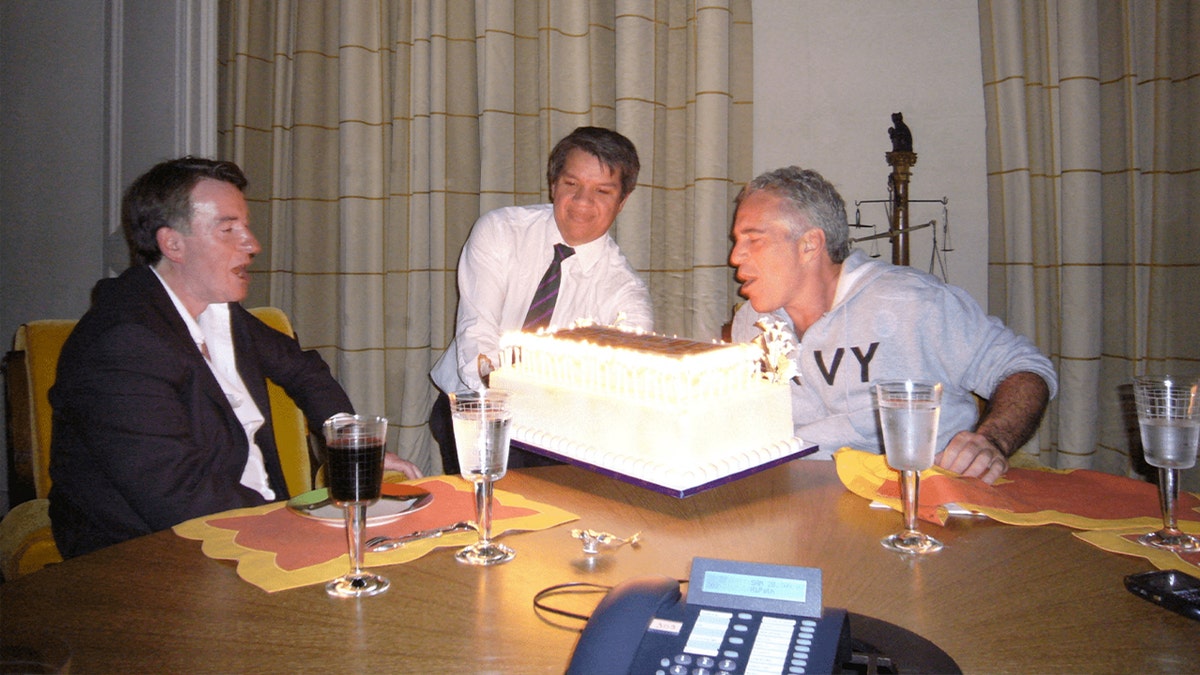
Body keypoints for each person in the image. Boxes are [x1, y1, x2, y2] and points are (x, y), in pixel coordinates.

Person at [48, 157, 421, 559]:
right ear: (172, 244)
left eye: (246, 227)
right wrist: (299, 532)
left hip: (246, 530)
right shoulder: (123, 343)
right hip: (151, 559)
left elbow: (305, 372)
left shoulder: (217, 313)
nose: (252, 245)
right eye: (228, 230)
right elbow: (179, 495)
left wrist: (353, 447)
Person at [728, 166, 1056, 484]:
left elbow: (1025, 368)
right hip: (796, 492)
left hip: (917, 493)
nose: (735, 257)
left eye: (753, 239)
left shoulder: (912, 303)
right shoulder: (752, 324)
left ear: (810, 245)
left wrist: (992, 441)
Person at [429, 126, 654, 472]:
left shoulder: (625, 294)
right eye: (571, 184)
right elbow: (477, 334)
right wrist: (499, 409)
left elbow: (620, 386)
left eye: (602, 191)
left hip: (560, 433)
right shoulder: (500, 231)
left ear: (622, 201)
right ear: (553, 185)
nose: (582, 201)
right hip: (474, 405)